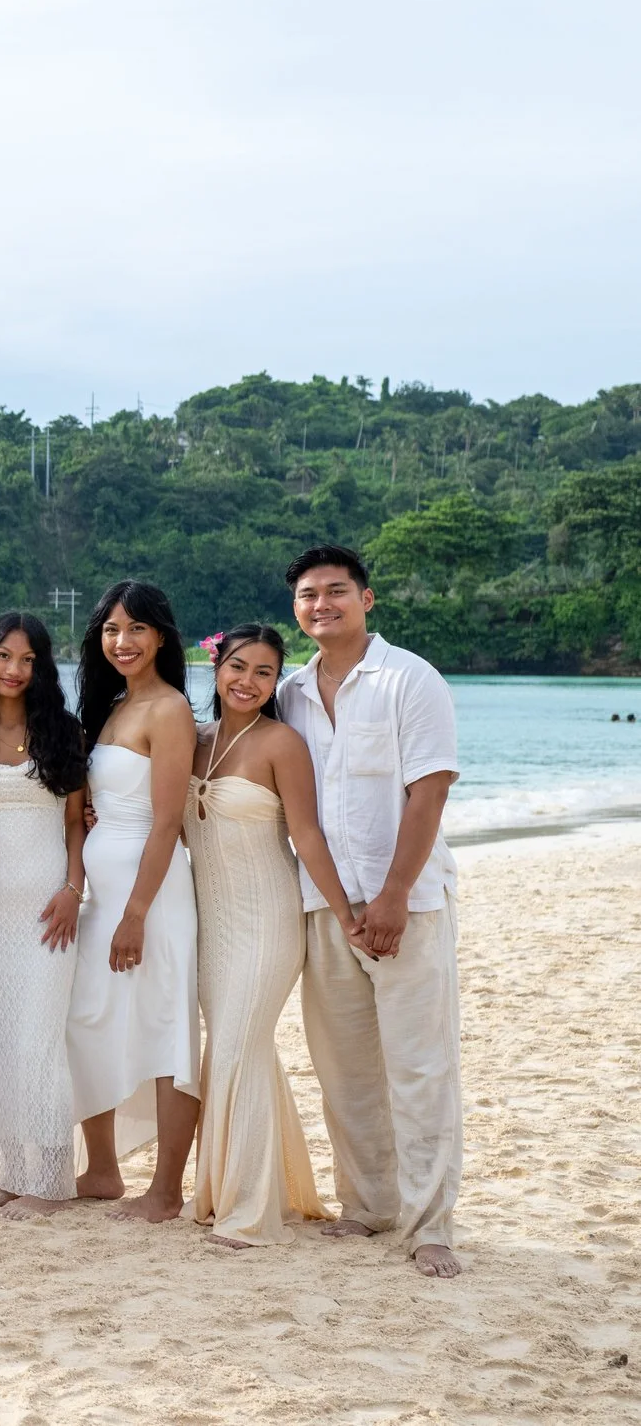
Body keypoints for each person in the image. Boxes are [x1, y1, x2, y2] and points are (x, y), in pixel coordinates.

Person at [277, 544, 466, 1278]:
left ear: (367, 598)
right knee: (345, 1069)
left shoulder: (409, 678)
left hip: (407, 901)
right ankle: (367, 1204)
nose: (321, 604)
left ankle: (430, 1224)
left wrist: (391, 896)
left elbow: (431, 789)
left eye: (335, 591)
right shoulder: (290, 691)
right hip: (323, 906)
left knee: (420, 1068)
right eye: (307, 595)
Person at [184, 623, 349, 1248]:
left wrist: (346, 914)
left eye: (263, 672)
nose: (248, 682)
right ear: (216, 667)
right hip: (211, 926)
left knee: (235, 1051)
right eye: (238, 667)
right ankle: (241, 1190)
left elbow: (307, 837)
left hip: (267, 920)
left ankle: (247, 1213)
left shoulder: (283, 742)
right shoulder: (194, 742)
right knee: (235, 1052)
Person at [69, 580, 202, 1222]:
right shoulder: (116, 705)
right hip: (106, 893)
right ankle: (101, 1169)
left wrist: (135, 913)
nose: (123, 642)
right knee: (88, 1020)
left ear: (161, 637)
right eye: (112, 630)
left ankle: (167, 1189)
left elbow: (166, 821)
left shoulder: (169, 708)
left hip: (152, 896)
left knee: (163, 1029)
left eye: (137, 630)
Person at [0, 612, 91, 1218]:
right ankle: (9, 1169)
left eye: (28, 659)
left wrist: (72, 888)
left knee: (39, 1037)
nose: (14, 669)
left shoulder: (62, 731)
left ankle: (50, 1181)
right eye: (4, 656)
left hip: (47, 903)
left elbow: (75, 825)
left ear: (41, 668)